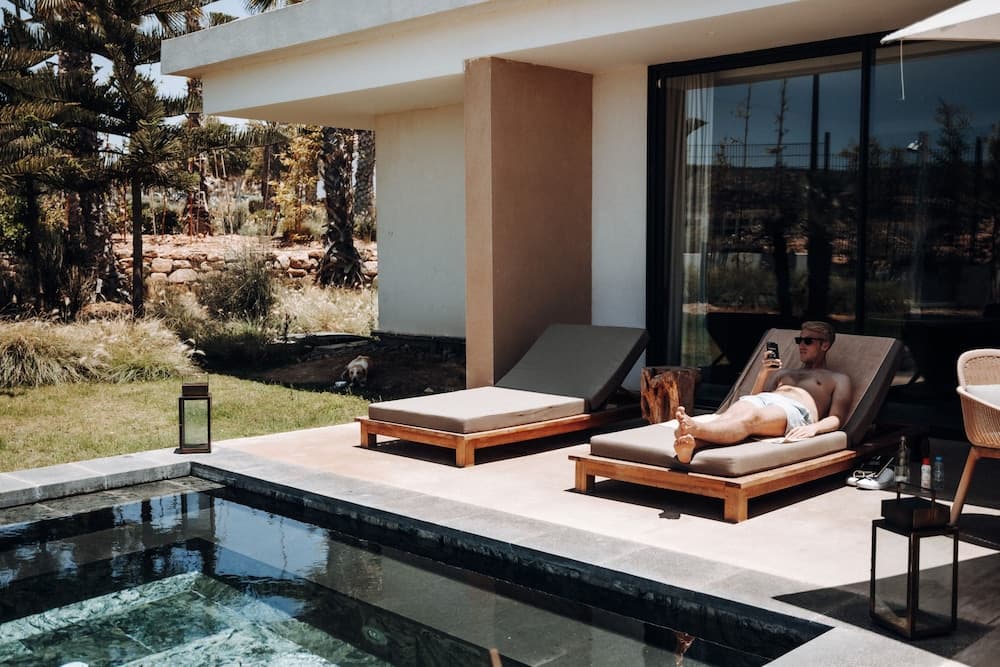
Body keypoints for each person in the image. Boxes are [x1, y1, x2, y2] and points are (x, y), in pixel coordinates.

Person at [673, 321, 852, 464]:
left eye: (808, 341)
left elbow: (837, 418)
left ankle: (694, 429)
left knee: (751, 418)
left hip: (794, 410)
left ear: (825, 345)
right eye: (799, 341)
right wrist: (763, 373)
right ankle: (692, 444)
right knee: (731, 415)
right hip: (764, 400)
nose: (801, 346)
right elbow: (755, 397)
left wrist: (813, 428)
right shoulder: (785, 372)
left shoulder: (838, 379)